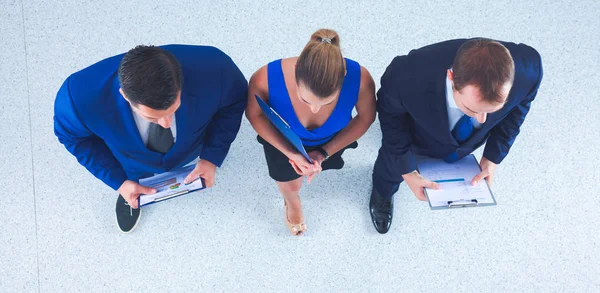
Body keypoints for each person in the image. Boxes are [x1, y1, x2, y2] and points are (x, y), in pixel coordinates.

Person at [54, 45, 248, 233]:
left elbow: (234, 103)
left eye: (174, 110)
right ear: (124, 95)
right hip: (129, 163)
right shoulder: (77, 99)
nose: (165, 123)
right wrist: (118, 181)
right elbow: (74, 139)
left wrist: (212, 156)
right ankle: (129, 189)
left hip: (192, 146)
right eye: (152, 117)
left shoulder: (217, 69)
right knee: (130, 181)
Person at [371, 38, 543, 234]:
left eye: (493, 110)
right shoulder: (406, 76)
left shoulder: (530, 71)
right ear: (451, 77)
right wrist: (407, 171)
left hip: (462, 140)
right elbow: (391, 117)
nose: (483, 119)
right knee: (391, 164)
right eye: (471, 108)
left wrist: (492, 157)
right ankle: (382, 192)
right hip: (417, 131)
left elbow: (519, 109)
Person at [246, 29, 376, 236]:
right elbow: (255, 115)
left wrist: (324, 152)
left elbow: (365, 118)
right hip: (282, 139)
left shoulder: (362, 80)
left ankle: (296, 192)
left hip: (333, 140)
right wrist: (291, 153)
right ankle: (292, 202)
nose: (314, 110)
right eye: (306, 100)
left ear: (344, 75)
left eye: (327, 102)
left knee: (304, 173)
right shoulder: (264, 78)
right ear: (297, 69)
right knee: (288, 181)